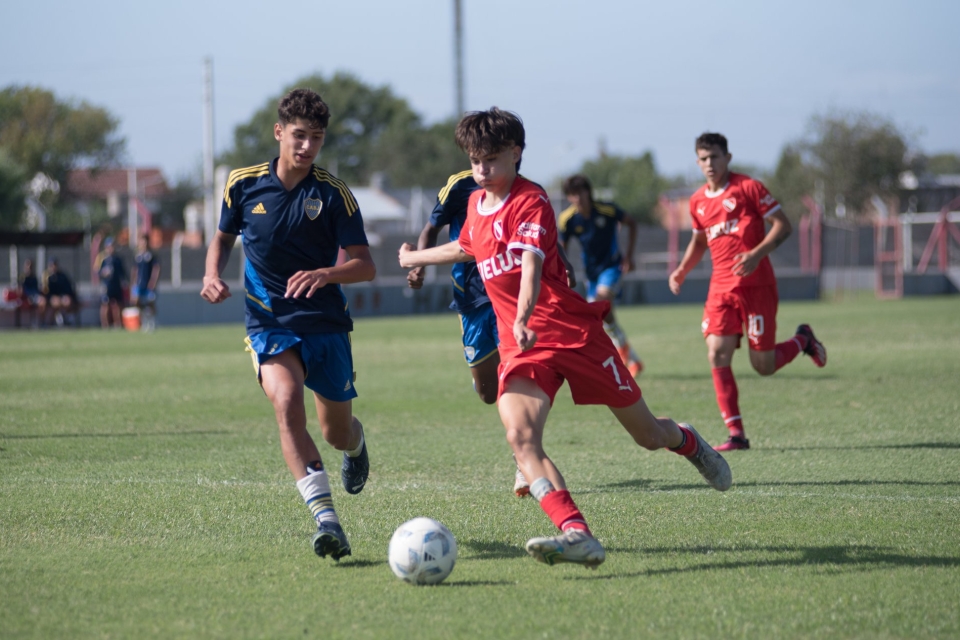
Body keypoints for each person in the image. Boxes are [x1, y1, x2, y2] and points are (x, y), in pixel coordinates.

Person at [399, 107, 731, 569]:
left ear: (516, 153)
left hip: (571, 334)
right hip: (522, 346)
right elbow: (467, 247)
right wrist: (416, 257)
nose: (482, 169)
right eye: (475, 160)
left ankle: (687, 440)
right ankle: (576, 532)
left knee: (648, 435)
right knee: (520, 436)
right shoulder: (475, 203)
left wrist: (525, 314)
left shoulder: (531, 200)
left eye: (491, 159)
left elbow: (531, 265)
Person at [201, 88, 375, 562]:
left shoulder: (333, 194)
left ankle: (356, 448)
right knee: (285, 401)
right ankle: (326, 521)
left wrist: (326, 273)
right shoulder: (242, 184)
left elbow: (365, 265)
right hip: (268, 323)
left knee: (336, 431)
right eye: (299, 136)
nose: (307, 147)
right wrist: (211, 274)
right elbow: (221, 239)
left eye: (316, 138)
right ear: (279, 132)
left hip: (325, 323)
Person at [407, 171, 577, 498]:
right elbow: (432, 227)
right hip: (470, 299)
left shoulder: (528, 191)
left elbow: (541, 235)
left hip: (511, 298)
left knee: (519, 375)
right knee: (488, 391)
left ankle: (523, 453)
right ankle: (518, 431)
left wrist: (564, 262)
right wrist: (420, 265)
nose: (485, 163)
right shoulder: (460, 186)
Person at [668, 132, 827, 452]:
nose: (709, 164)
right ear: (697, 162)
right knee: (716, 352)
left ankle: (803, 340)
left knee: (763, 366)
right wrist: (682, 269)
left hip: (757, 287)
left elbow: (783, 225)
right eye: (703, 158)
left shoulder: (749, 188)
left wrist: (756, 254)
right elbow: (700, 240)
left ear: (728, 157)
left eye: (714, 156)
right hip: (721, 289)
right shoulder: (698, 200)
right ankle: (736, 434)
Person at [559, 175, 643, 377]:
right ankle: (630, 358)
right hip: (591, 275)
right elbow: (561, 247)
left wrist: (629, 257)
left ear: (588, 192)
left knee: (599, 303)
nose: (578, 198)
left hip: (612, 267)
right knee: (602, 319)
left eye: (581, 192)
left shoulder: (606, 210)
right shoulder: (567, 219)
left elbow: (631, 223)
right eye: (573, 194)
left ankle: (618, 359)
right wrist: (563, 271)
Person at [132, 234, 161, 332]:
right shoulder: (138, 256)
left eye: (144, 241)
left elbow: (156, 269)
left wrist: (153, 282)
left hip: (149, 285)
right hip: (139, 284)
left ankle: (152, 322)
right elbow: (135, 270)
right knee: (137, 302)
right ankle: (144, 320)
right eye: (141, 241)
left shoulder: (151, 255)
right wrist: (133, 283)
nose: (142, 243)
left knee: (150, 303)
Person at [96, 238, 127, 329]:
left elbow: (122, 272)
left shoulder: (118, 259)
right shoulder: (103, 259)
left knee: (118, 305)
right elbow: (97, 271)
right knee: (105, 305)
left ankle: (118, 324)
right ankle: (105, 325)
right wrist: (103, 273)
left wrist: (125, 283)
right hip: (107, 285)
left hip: (116, 285)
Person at [41, 258, 77, 327]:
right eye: (51, 265)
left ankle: (65, 319)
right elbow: (45, 290)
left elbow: (67, 288)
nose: (53, 267)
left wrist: (65, 296)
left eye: (55, 265)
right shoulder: (46, 276)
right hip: (50, 297)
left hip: (61, 296)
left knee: (67, 301)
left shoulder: (62, 275)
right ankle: (48, 322)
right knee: (56, 302)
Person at [18, 258, 43, 327]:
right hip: (26, 298)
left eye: (31, 266)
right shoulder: (23, 277)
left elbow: (36, 289)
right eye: (28, 266)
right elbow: (21, 290)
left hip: (35, 297)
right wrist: (27, 297)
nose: (29, 268)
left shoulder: (34, 277)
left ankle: (39, 322)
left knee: (42, 301)